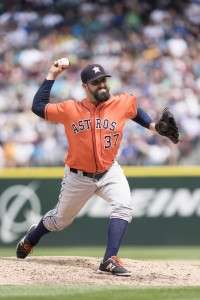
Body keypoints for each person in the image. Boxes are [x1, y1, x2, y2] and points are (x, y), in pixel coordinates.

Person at [15, 59, 175, 276]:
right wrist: (52, 74)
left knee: (124, 206)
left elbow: (134, 110)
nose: (102, 85)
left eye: (103, 81)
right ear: (85, 87)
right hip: (78, 176)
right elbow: (37, 107)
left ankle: (109, 259)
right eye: (95, 82)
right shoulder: (70, 108)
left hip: (109, 171)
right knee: (60, 221)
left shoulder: (120, 102)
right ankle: (32, 238)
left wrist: (154, 126)